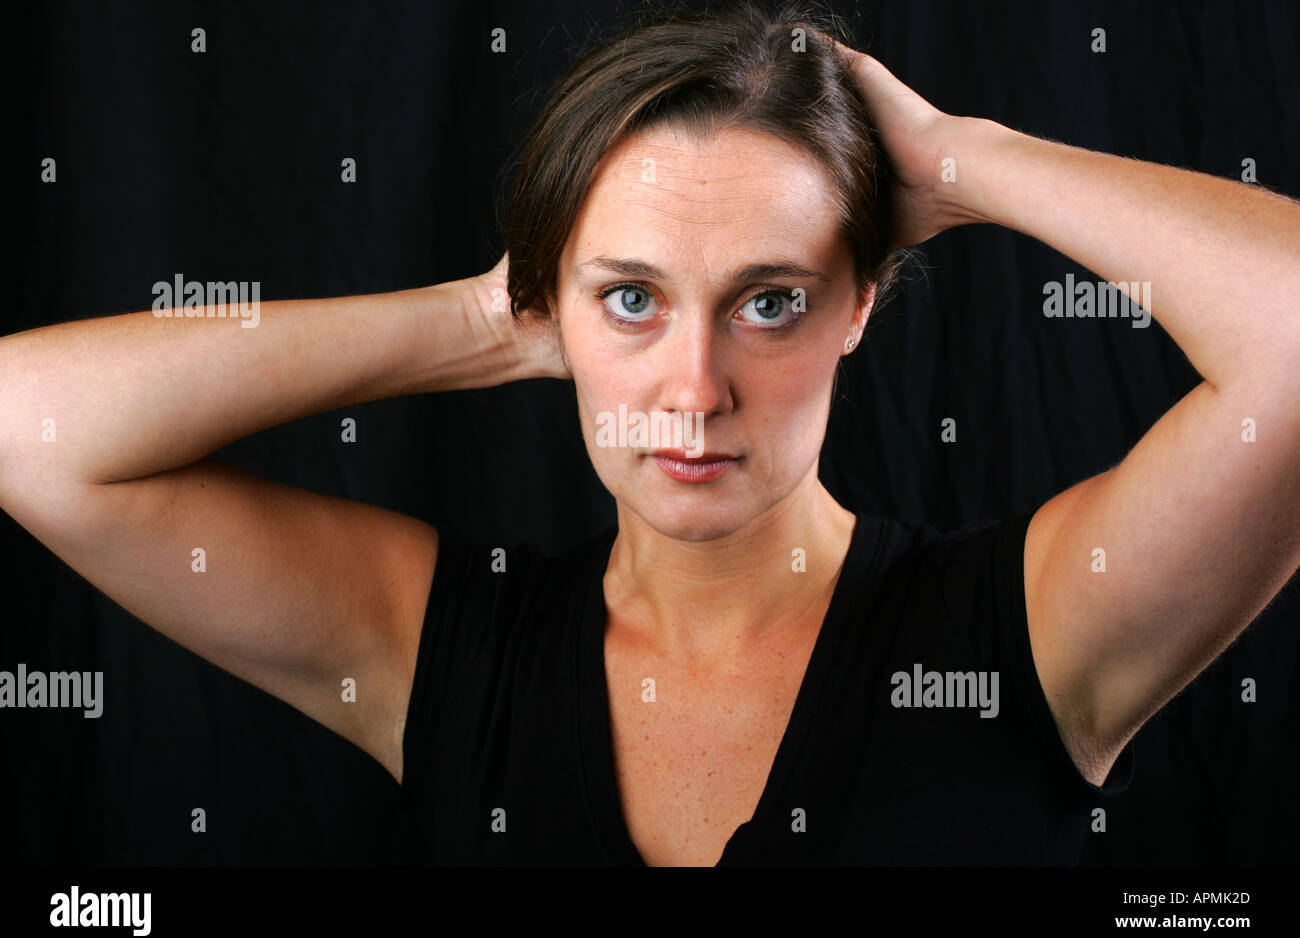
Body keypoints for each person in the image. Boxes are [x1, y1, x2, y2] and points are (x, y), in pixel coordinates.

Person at [3, 0, 1297, 866]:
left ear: (861, 303)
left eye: (770, 302)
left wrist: (959, 159)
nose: (692, 389)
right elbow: (28, 430)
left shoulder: (1038, 626)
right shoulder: (439, 648)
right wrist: (494, 317)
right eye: (632, 298)